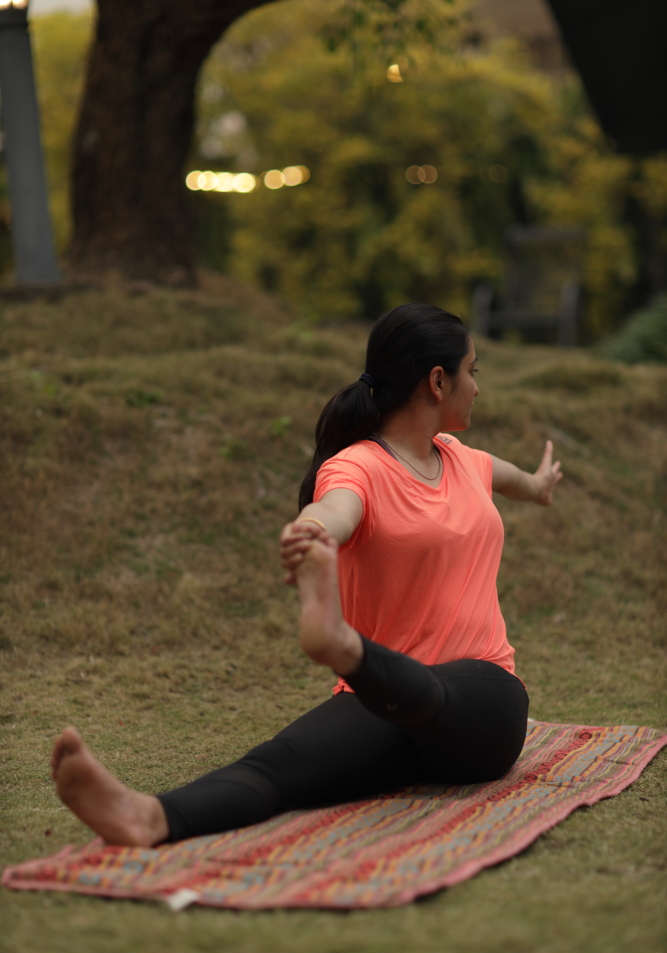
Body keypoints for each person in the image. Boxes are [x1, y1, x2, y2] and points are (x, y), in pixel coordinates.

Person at [50, 303, 562, 847]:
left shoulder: (462, 459)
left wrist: (540, 485)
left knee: (434, 691)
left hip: (482, 710)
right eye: (472, 372)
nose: (477, 388)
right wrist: (312, 533)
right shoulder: (357, 466)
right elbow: (334, 509)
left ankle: (346, 648)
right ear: (438, 381)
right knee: (279, 766)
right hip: (383, 705)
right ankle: (147, 816)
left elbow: (516, 480)